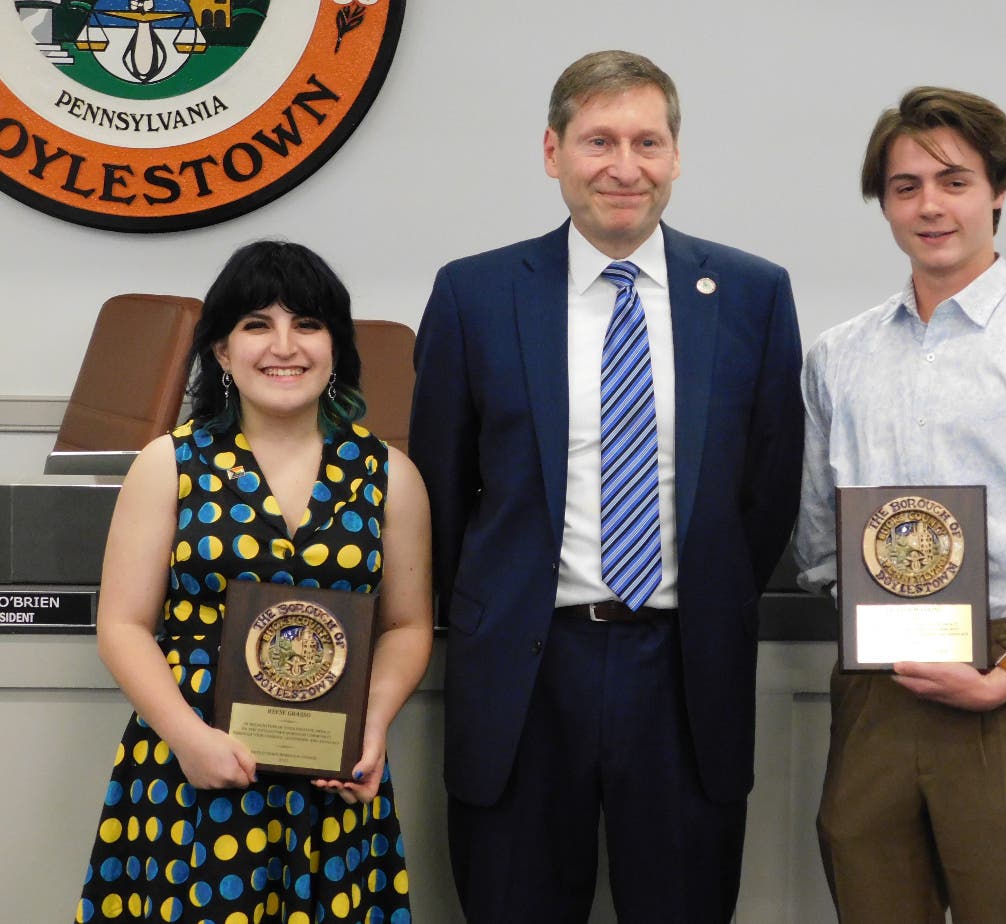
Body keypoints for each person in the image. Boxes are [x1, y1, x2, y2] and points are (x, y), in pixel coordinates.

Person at [409, 49, 803, 923]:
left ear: (675, 156)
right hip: (522, 672)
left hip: (684, 674)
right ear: (552, 153)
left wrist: (707, 589)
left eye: (647, 142)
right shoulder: (474, 295)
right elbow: (437, 489)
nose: (625, 167)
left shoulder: (751, 295)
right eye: (598, 141)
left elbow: (767, 493)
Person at [794, 87, 1006, 923]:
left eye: (954, 180)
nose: (930, 205)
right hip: (876, 679)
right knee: (872, 901)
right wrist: (885, 614)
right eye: (905, 186)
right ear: (884, 203)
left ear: (999, 190)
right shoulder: (837, 358)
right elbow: (818, 540)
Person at [75, 241, 433, 924]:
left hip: (335, 780)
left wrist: (373, 727)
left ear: (335, 346)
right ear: (220, 350)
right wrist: (188, 738)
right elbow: (121, 626)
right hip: (194, 768)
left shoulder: (389, 475)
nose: (283, 346)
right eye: (256, 325)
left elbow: (407, 626)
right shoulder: (169, 463)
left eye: (307, 323)